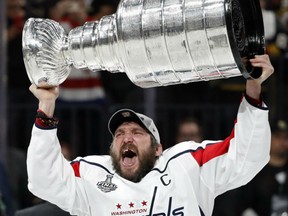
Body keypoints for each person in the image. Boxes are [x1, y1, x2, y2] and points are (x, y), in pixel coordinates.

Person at [26, 54, 274, 216]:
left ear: (158, 149)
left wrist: (253, 88)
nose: (127, 137)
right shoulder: (91, 173)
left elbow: (246, 156)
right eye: (119, 134)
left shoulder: (186, 164)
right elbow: (43, 180)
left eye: (136, 132)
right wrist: (46, 107)